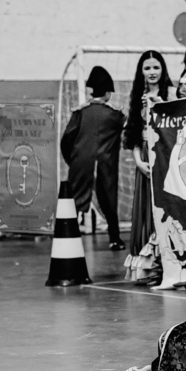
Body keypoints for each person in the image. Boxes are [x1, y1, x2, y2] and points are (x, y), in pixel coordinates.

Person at [60, 65, 125, 250]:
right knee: (109, 201)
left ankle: (68, 238)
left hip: (80, 162)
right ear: (108, 93)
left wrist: (72, 161)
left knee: (76, 200)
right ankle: (115, 239)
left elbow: (66, 139)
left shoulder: (79, 113)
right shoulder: (115, 114)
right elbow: (129, 133)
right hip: (106, 164)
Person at [123, 50, 173, 283]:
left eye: (156, 67)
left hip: (166, 154)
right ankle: (148, 268)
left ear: (163, 69)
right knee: (145, 210)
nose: (152, 72)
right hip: (145, 155)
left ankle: (167, 265)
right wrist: (138, 160)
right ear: (141, 71)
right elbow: (133, 131)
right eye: (147, 68)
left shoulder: (171, 93)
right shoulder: (137, 95)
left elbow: (177, 125)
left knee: (165, 207)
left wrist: (161, 105)